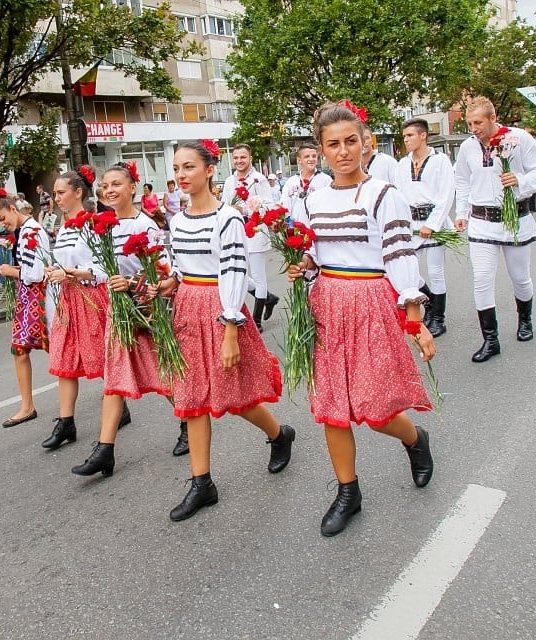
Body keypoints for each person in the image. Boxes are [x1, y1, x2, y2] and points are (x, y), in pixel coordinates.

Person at [287, 102, 435, 537]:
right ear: (321, 149)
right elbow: (316, 253)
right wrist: (305, 265)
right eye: (333, 144)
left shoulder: (385, 196)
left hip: (371, 303)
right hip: (327, 304)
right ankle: (348, 491)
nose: (344, 150)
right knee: (333, 407)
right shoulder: (313, 196)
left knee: (374, 405)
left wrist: (415, 320)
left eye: (352, 141)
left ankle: (414, 439)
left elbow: (400, 256)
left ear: (365, 143)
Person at [159, 140, 294, 522]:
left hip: (221, 310)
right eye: (177, 168)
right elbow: (182, 265)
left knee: (237, 395)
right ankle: (202, 483)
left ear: (208, 169)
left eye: (189, 167)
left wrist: (231, 326)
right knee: (192, 397)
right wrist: (170, 281)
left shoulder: (228, 218)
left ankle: (278, 434)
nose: (181, 175)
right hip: (187, 307)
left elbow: (234, 271)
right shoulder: (179, 219)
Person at [70, 162, 186, 477]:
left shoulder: (145, 226)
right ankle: (104, 450)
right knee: (114, 379)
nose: (109, 190)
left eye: (117, 184)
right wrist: (75, 274)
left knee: (164, 372)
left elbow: (161, 273)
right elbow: (100, 269)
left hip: (145, 310)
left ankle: (188, 420)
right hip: (117, 310)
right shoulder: (101, 226)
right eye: (105, 185)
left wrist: (132, 285)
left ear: (132, 187)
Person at [453, 97, 536, 363]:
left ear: (493, 118)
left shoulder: (518, 139)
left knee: (520, 277)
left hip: (514, 221)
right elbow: (462, 180)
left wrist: (521, 180)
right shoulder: (467, 147)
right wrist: (461, 213)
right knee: (482, 279)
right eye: (469, 123)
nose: (473, 128)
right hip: (482, 221)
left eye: (478, 122)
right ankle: (490, 339)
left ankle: (525, 320)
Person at [37, 167, 113, 452]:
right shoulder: (65, 227)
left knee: (103, 359)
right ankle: (66, 421)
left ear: (78, 192)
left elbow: (104, 270)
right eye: (54, 193)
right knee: (65, 360)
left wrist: (71, 273)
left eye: (60, 192)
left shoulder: (93, 224)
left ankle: (117, 403)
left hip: (92, 299)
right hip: (68, 300)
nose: (55, 198)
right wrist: (56, 270)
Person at [0, 190, 50, 427]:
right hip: (29, 296)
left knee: (54, 349)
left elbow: (35, 273)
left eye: (3, 218)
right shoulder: (25, 231)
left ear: (13, 209)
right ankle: (27, 404)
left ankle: (28, 405)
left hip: (37, 297)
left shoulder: (31, 231)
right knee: (22, 349)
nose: (3, 225)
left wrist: (10, 270)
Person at [395, 117, 455, 337]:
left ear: (423, 135)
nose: (406, 140)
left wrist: (432, 224)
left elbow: (446, 195)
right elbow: (400, 195)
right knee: (407, 270)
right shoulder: (403, 164)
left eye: (410, 135)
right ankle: (427, 301)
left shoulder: (440, 161)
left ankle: (439, 318)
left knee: (435, 271)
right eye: (404, 136)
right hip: (411, 225)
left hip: (432, 222)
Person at [221, 143, 280, 332]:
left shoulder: (259, 179)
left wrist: (248, 208)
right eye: (236, 157)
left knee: (258, 276)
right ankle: (268, 298)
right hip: (236, 232)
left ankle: (257, 320)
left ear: (250, 158)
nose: (239, 161)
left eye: (243, 157)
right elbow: (224, 204)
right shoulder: (230, 181)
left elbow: (269, 205)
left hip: (255, 230)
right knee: (239, 274)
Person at [280, 143, 333, 220]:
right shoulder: (291, 182)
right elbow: (284, 205)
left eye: (314, 156)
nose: (311, 159)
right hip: (295, 229)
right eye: (307, 156)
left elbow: (331, 205)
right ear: (299, 160)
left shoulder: (326, 180)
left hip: (317, 228)